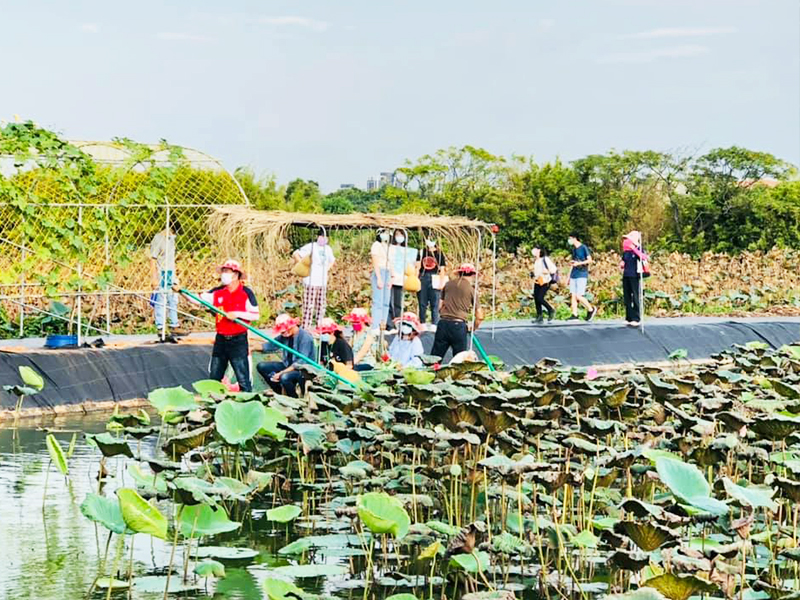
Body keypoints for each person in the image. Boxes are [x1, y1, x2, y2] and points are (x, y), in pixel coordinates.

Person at [182, 259, 259, 392]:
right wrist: (181, 291)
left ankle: (247, 402)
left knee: (243, 378)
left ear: (235, 275)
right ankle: (214, 404)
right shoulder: (217, 291)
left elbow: (255, 314)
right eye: (223, 271)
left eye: (226, 272)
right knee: (214, 376)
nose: (223, 274)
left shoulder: (246, 293)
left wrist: (237, 314)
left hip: (238, 340)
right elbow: (197, 300)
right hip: (221, 339)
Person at [431, 263, 484, 362]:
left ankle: (430, 374)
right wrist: (473, 327)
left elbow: (439, 306)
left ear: (459, 274)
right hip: (458, 326)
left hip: (443, 324)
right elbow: (479, 316)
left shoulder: (448, 284)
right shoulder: (471, 290)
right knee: (460, 361)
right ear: (472, 275)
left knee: (434, 359)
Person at [256, 314, 316, 398]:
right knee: (262, 366)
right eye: (282, 332)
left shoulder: (305, 338)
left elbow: (300, 363)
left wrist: (281, 373)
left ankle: (293, 398)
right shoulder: (284, 336)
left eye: (284, 331)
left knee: (284, 377)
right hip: (287, 365)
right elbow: (270, 345)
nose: (283, 333)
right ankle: (279, 392)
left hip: (303, 370)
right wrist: (251, 347)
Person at [293, 230, 336, 330]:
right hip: (311, 280)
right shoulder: (311, 246)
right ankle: (305, 328)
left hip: (322, 281)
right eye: (321, 236)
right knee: (309, 305)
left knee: (321, 305)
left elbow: (332, 261)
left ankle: (320, 327)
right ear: (318, 237)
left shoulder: (328, 249)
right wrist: (303, 265)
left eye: (325, 237)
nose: (323, 239)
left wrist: (326, 269)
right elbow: (296, 254)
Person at [150, 225, 183, 335]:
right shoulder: (158, 239)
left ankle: (174, 325)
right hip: (162, 273)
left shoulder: (172, 240)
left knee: (173, 298)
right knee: (161, 299)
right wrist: (154, 277)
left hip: (171, 273)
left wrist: (175, 276)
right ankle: (161, 327)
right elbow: (153, 259)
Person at [620, 230, 648, 327]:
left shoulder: (639, 248)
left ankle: (636, 318)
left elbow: (644, 257)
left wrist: (634, 249)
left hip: (635, 276)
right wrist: (622, 264)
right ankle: (629, 317)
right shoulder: (626, 252)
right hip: (626, 275)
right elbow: (623, 260)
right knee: (627, 297)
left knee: (635, 296)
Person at [417, 238, 446, 330]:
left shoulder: (439, 253)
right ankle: (422, 322)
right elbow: (417, 266)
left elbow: (442, 269)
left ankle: (434, 323)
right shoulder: (422, 252)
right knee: (422, 302)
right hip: (423, 277)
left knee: (435, 302)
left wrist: (441, 283)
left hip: (435, 278)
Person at [567, 233, 597, 322]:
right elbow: (573, 263)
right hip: (574, 274)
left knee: (579, 296)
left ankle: (591, 309)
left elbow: (590, 260)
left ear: (574, 238)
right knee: (573, 295)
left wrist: (579, 263)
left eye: (570, 238)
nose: (569, 241)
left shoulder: (583, 247)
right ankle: (574, 314)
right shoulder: (574, 249)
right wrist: (568, 276)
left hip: (582, 274)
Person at [370, 230, 395, 333]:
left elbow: (391, 262)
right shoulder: (376, 245)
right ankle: (375, 326)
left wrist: (392, 276)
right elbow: (375, 262)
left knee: (386, 301)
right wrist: (379, 277)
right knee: (378, 301)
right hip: (379, 271)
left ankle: (383, 325)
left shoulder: (390, 247)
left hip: (388, 272)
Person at [344, 307, 378, 372]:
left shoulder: (369, 333)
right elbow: (348, 348)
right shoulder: (353, 333)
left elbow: (363, 352)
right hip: (354, 363)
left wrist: (351, 364)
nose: (354, 323)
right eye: (353, 322)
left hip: (366, 363)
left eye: (356, 322)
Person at [388, 229, 409, 325]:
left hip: (401, 279)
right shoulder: (390, 248)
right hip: (391, 278)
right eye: (397, 234)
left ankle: (397, 321)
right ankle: (389, 323)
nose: (399, 237)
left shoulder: (407, 250)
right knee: (389, 301)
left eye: (401, 235)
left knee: (398, 302)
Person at [532, 246, 557, 324]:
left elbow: (554, 269)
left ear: (539, 250)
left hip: (545, 281)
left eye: (535, 249)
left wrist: (547, 271)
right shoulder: (536, 260)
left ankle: (550, 309)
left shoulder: (545, 259)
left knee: (540, 298)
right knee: (536, 299)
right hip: (537, 281)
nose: (533, 251)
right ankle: (539, 316)